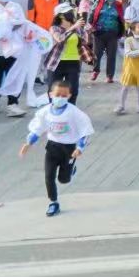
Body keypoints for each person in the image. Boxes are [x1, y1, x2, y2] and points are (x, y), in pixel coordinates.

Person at [20, 79, 94, 217]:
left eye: (64, 95)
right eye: (57, 94)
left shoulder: (75, 113)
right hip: (52, 148)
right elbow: (38, 128)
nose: (60, 98)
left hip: (69, 150)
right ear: (50, 94)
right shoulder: (45, 112)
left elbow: (85, 131)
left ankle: (70, 170)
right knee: (49, 177)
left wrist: (80, 148)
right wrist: (28, 143)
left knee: (64, 180)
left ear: (69, 96)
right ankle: (53, 202)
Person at [44, 8, 90, 104]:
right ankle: (53, 111)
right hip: (56, 63)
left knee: (73, 90)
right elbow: (59, 39)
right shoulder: (54, 28)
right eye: (70, 12)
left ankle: (70, 110)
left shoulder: (77, 28)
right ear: (61, 16)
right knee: (53, 90)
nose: (73, 14)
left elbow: (85, 41)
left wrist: (84, 29)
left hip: (73, 62)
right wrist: (73, 28)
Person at [89, 0, 125, 83]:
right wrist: (90, 25)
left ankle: (110, 76)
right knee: (97, 53)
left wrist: (123, 31)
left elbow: (121, 18)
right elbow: (91, 13)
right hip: (99, 32)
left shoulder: (118, 5)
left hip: (113, 33)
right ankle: (95, 70)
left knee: (111, 55)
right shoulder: (99, 2)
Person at [117, 20, 139, 113]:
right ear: (133, 30)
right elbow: (128, 53)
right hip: (130, 67)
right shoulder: (128, 40)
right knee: (125, 87)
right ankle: (121, 105)